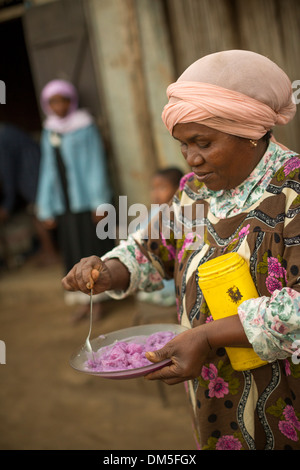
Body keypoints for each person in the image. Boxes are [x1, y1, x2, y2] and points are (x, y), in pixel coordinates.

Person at [61, 50, 300, 450]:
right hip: (214, 395)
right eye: (183, 144)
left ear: (250, 130)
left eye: (203, 142)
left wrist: (207, 337)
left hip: (285, 396)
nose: (192, 159)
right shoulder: (194, 189)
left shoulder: (293, 192)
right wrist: (104, 269)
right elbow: (151, 251)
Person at [36, 79, 114, 321]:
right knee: (73, 251)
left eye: (63, 100)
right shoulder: (49, 130)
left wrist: (100, 201)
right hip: (65, 203)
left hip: (87, 201)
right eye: (53, 101)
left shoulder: (85, 126)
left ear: (72, 101)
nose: (59, 106)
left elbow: (96, 165)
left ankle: (99, 301)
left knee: (92, 249)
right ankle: (84, 302)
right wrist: (46, 206)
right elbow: (47, 169)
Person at [0, 123, 58, 266]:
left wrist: (7, 205)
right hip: (36, 175)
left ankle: (51, 253)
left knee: (39, 214)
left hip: (34, 178)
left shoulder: (3, 138)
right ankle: (47, 250)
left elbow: (8, 172)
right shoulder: (8, 132)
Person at [136, 167, 183, 307]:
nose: (156, 193)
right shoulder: (153, 213)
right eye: (153, 188)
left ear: (178, 189)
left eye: (162, 188)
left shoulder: (178, 212)